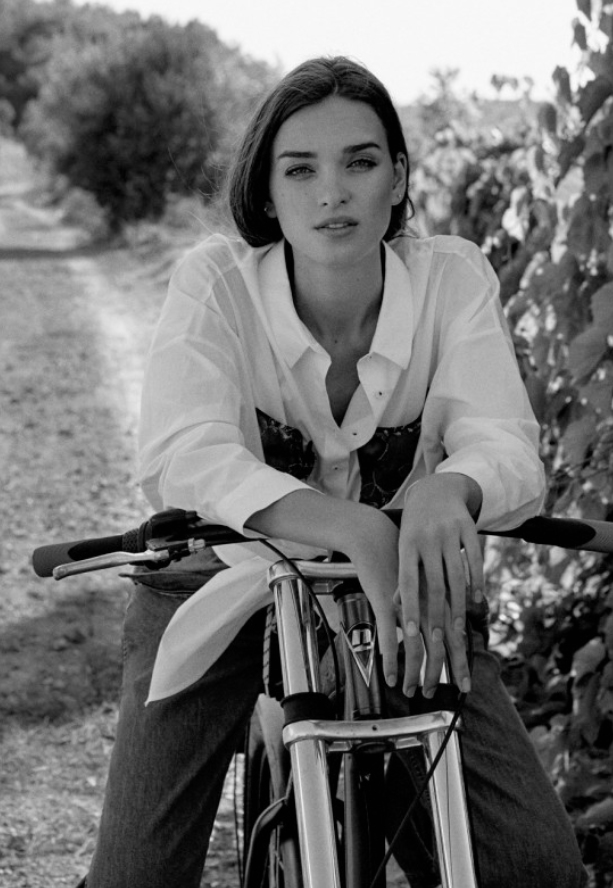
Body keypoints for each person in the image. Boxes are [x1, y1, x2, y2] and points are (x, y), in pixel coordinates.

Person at [83, 56, 587, 888]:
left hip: (403, 596)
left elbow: (502, 439)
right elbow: (185, 449)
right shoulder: (216, 282)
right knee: (137, 874)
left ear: (399, 179)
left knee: (536, 868)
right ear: (266, 192)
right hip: (222, 583)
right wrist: (353, 525)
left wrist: (450, 486)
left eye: (360, 162)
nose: (332, 193)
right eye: (300, 170)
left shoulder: (450, 277)